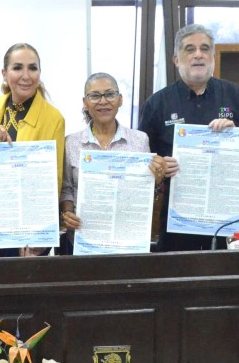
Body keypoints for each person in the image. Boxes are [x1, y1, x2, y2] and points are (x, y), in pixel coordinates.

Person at [139, 24, 239, 251]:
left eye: (205, 49)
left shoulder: (236, 96)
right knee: (178, 271)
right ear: (176, 59)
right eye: (190, 49)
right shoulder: (157, 104)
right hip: (178, 217)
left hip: (228, 215)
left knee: (229, 270)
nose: (198, 54)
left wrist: (236, 139)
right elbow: (144, 161)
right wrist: (159, 166)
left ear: (212, 57)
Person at [0, 42, 65, 257]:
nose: (26, 76)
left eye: (33, 68)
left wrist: (40, 236)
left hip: (29, 230)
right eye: (17, 68)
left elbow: (54, 180)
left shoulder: (54, 118)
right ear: (4, 73)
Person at [60, 72, 166, 251]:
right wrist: (67, 213)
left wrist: (157, 180)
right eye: (95, 96)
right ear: (85, 102)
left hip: (127, 241)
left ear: (120, 100)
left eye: (110, 94)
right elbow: (67, 189)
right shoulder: (71, 142)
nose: (103, 101)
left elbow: (148, 191)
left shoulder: (140, 140)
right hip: (82, 240)